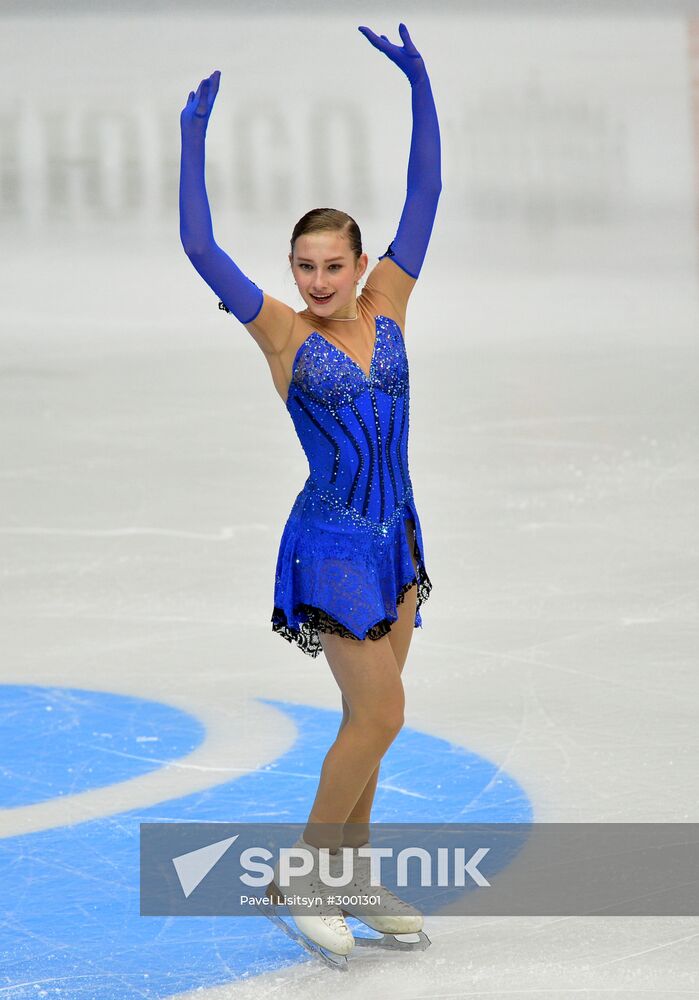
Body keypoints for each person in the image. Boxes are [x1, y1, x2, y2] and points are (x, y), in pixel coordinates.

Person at [179, 22, 441, 961]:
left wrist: (418, 84)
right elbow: (199, 244)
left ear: (361, 264)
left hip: (394, 537)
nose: (318, 280)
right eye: (304, 266)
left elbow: (425, 194)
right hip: (331, 545)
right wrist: (192, 139)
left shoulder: (390, 301)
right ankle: (301, 873)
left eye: (334, 265)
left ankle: (352, 871)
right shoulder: (284, 334)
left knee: (370, 720)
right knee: (381, 715)